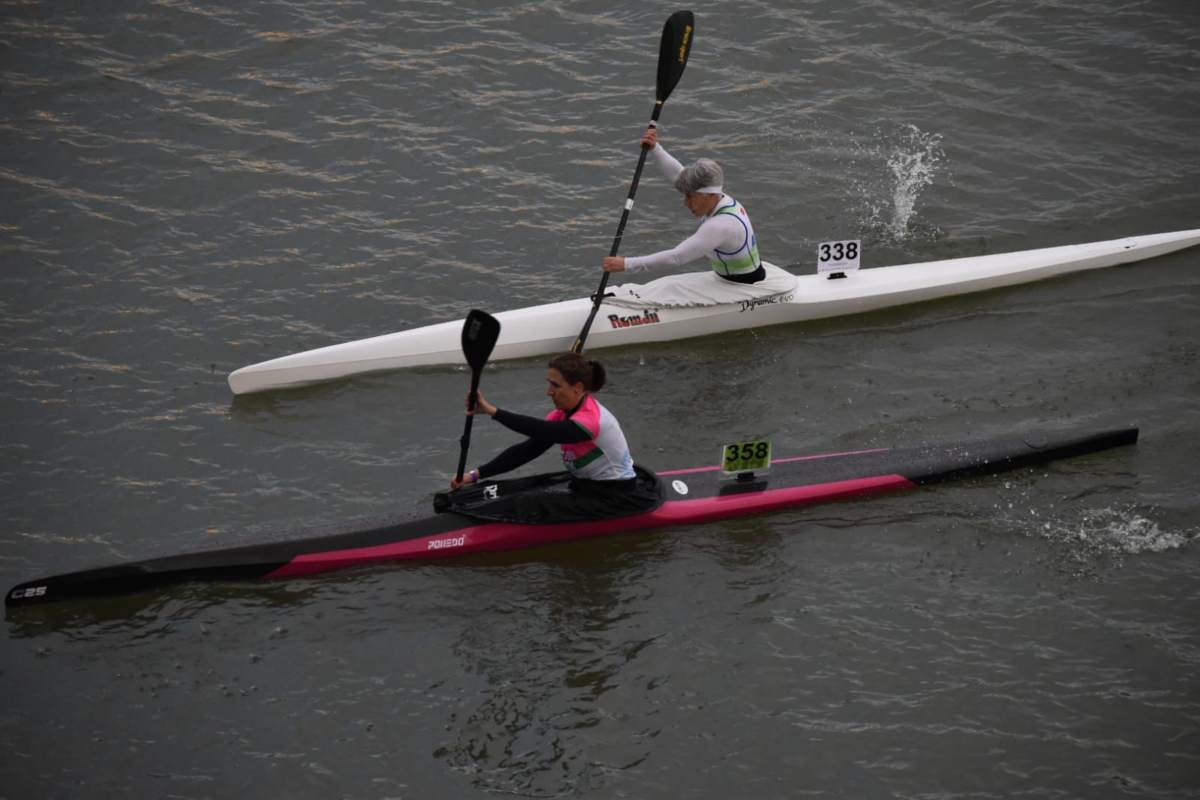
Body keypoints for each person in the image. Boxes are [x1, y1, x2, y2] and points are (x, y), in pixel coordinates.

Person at [447, 353, 655, 522]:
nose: (549, 392)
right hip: (585, 485)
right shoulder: (563, 413)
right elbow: (527, 450)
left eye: (556, 385)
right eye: (550, 384)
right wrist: (474, 475)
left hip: (616, 496)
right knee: (518, 488)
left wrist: (493, 411)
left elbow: (543, 431)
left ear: (578, 388)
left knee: (529, 502)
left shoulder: (592, 420)